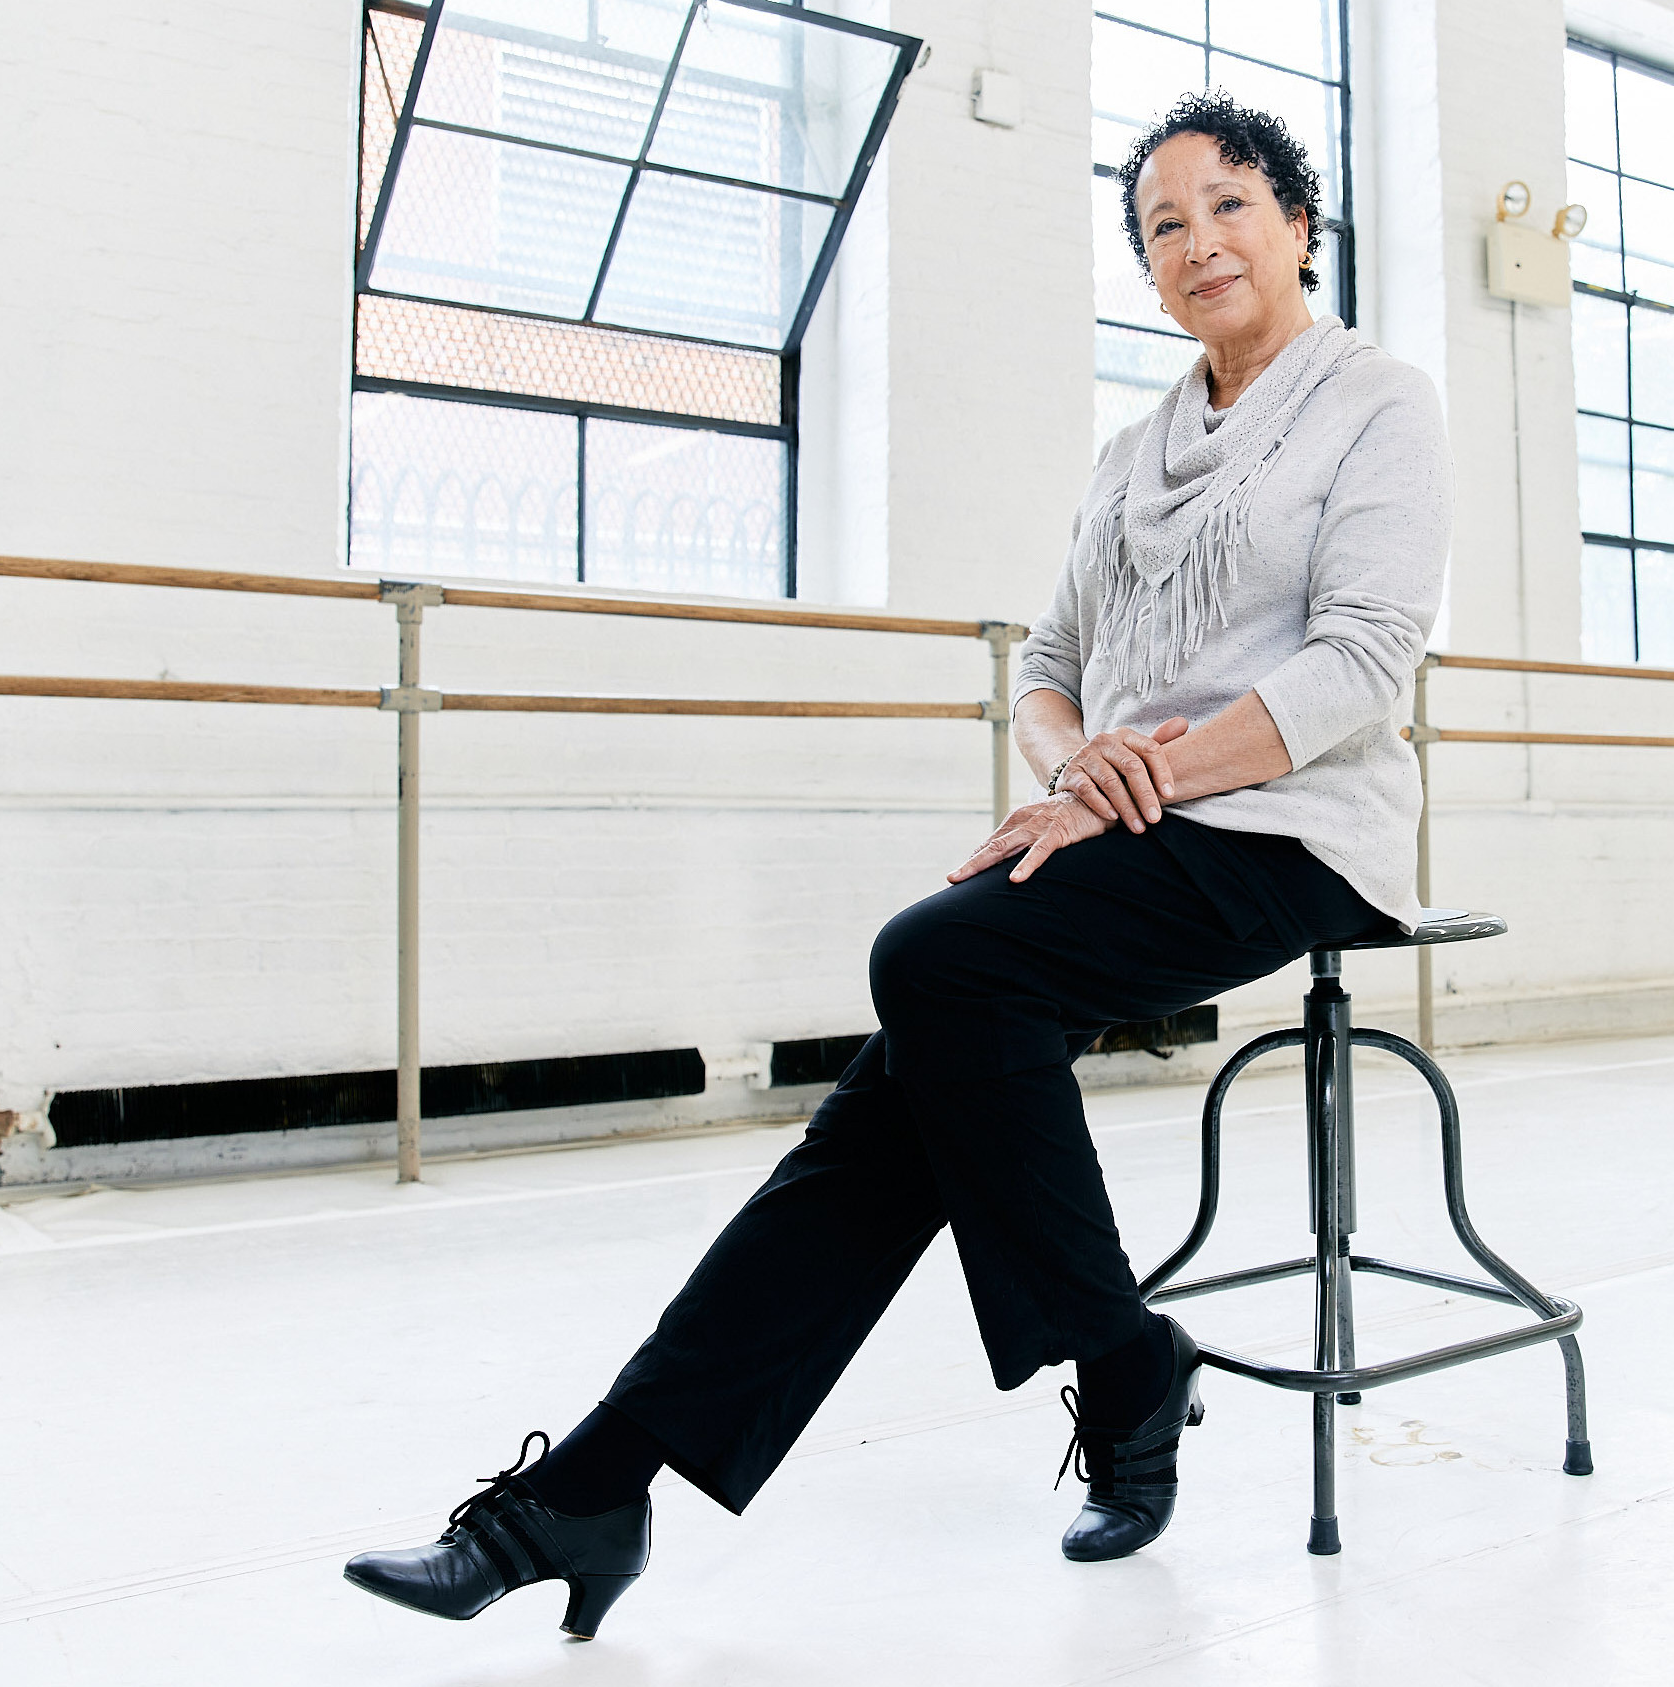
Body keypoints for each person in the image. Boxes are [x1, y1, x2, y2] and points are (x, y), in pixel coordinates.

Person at [343, 87, 1450, 1640]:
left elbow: (1364, 664)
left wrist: (1142, 773)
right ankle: (597, 1490)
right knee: (902, 1097)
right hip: (1123, 822)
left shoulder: (1376, 401)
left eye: (1229, 209)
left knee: (937, 964)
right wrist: (1079, 764)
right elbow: (1048, 660)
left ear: (1299, 224)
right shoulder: (1137, 449)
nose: (1198, 245)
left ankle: (1118, 1367)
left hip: (1293, 835)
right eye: (1162, 228)